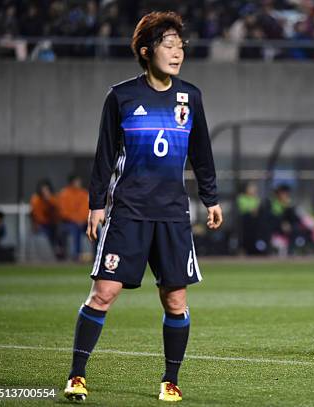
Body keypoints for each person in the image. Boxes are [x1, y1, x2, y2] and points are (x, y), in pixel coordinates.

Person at [63, 11, 223, 402]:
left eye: (180, 45)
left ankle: (171, 380)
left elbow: (202, 153)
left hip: (172, 214)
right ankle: (76, 376)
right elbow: (103, 156)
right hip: (129, 211)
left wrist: (211, 197)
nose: (177, 52)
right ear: (145, 50)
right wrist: (96, 205)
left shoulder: (191, 97)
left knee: (176, 299)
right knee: (104, 293)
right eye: (168, 45)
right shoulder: (121, 96)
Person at [57, 174, 89, 261]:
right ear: (71, 183)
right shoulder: (64, 194)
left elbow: (86, 210)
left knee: (95, 230)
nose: (79, 183)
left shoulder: (84, 193)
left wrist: (82, 220)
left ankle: (98, 255)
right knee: (74, 229)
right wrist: (76, 220)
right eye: (76, 182)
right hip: (68, 223)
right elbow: (63, 212)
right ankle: (76, 256)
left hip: (83, 222)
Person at [30, 179, 63, 259]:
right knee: (43, 234)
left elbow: (58, 212)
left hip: (53, 224)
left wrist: (49, 200)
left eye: (46, 190)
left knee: (60, 231)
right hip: (41, 224)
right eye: (43, 190)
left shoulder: (54, 198)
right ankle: (49, 255)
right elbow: (36, 215)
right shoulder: (36, 199)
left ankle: (59, 251)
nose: (45, 192)